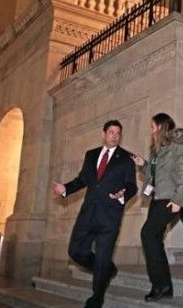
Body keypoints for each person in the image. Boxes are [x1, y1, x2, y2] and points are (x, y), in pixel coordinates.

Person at [51, 120, 137, 308]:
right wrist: (65, 188)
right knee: (75, 251)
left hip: (110, 216)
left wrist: (124, 193)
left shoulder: (126, 159)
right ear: (103, 133)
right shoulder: (91, 155)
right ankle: (107, 270)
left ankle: (97, 297)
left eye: (118, 133)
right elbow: (83, 180)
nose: (115, 136)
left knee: (102, 257)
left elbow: (132, 186)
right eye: (111, 132)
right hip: (88, 214)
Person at [133, 113, 183, 302]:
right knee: (155, 239)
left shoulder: (178, 146)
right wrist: (144, 165)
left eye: (152, 127)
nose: (150, 131)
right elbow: (155, 174)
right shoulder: (157, 149)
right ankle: (165, 286)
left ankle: (158, 284)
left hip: (169, 200)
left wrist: (178, 200)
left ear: (160, 126)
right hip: (156, 199)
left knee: (147, 235)